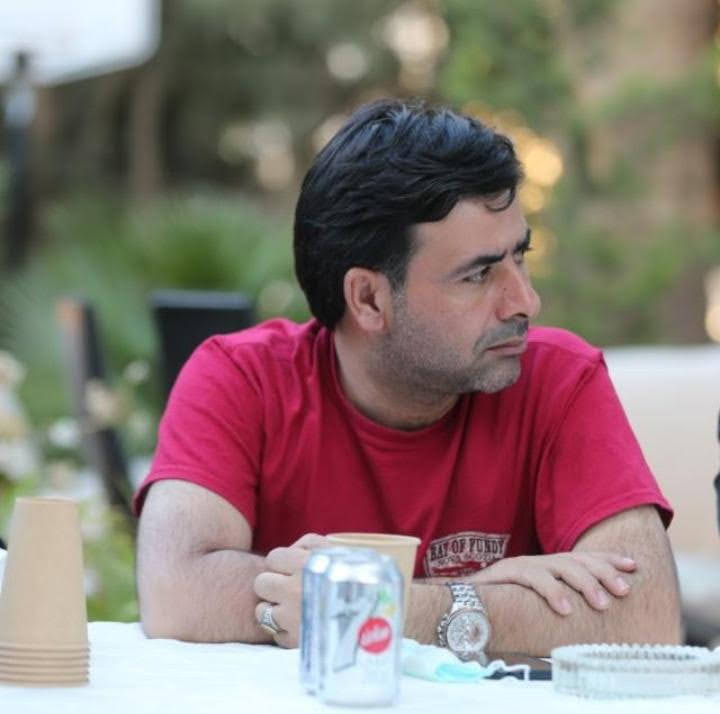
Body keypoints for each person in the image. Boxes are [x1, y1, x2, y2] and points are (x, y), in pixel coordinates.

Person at [135, 98, 682, 657]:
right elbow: (177, 591)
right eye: (478, 275)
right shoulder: (241, 378)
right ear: (369, 299)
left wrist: (415, 609)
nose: (525, 301)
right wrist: (485, 601)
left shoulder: (558, 379)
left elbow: (649, 617)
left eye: (520, 257)